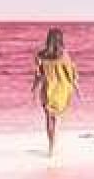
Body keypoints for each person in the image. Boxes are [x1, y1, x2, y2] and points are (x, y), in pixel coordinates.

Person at [31, 27, 79, 157]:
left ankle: (51, 146)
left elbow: (38, 75)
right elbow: (71, 74)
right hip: (61, 90)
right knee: (57, 118)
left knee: (48, 118)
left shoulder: (40, 55)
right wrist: (77, 89)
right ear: (60, 40)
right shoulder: (64, 55)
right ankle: (55, 145)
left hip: (47, 90)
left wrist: (34, 89)